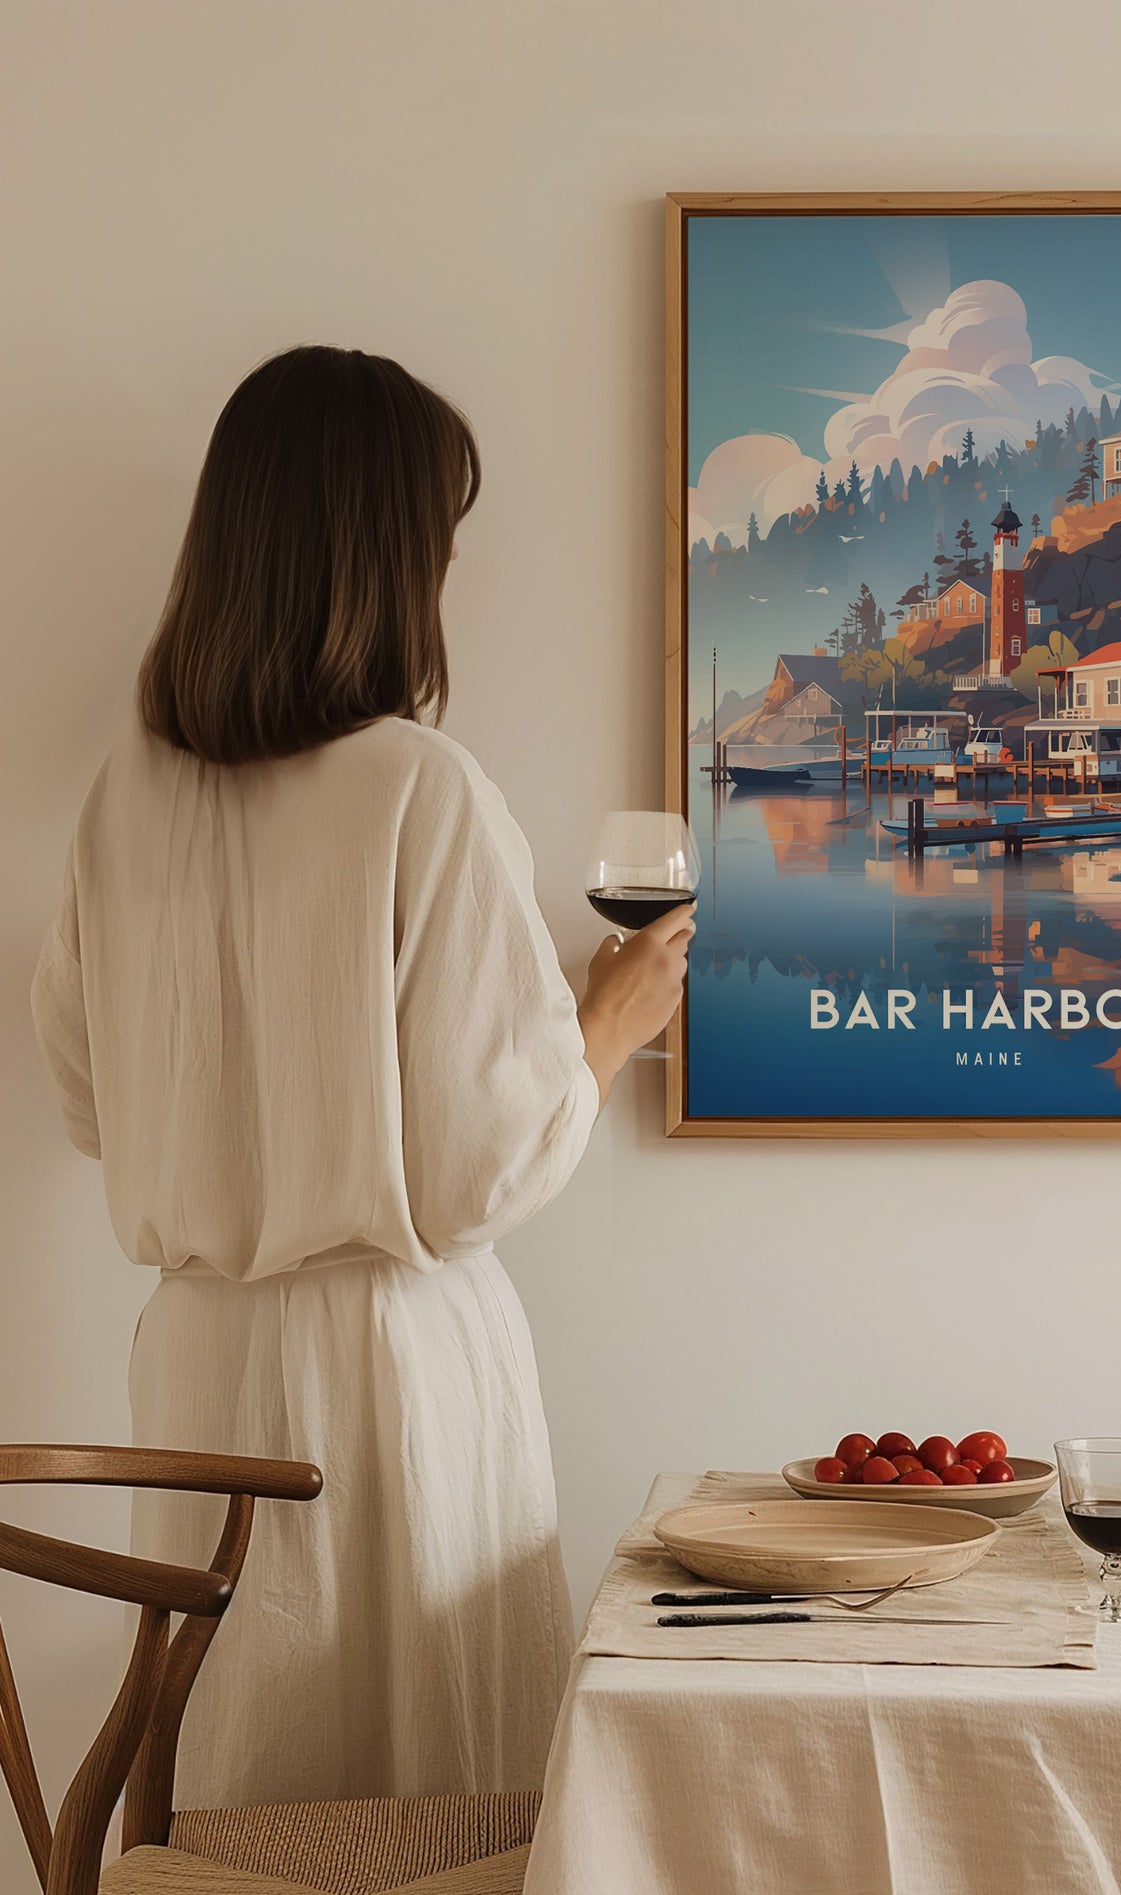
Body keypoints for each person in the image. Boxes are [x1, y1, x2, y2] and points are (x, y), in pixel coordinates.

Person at [29, 345, 690, 1806]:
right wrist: (606, 1020)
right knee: (423, 1810)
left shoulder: (122, 797)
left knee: (241, 1789)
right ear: (388, 556)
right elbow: (474, 1173)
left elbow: (87, 1101)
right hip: (390, 1372)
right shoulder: (417, 785)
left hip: (197, 1361)